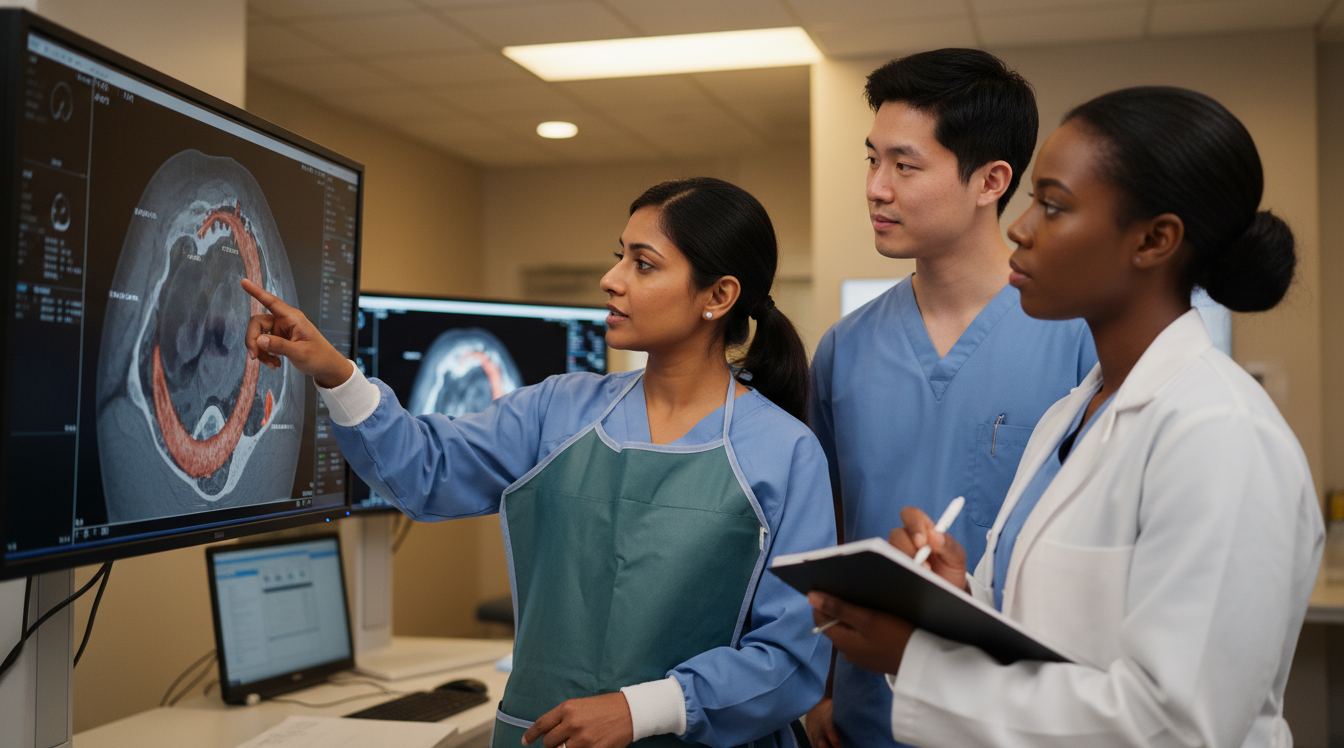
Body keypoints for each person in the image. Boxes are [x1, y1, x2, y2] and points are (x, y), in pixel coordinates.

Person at [811, 86, 1324, 747]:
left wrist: (917, 663)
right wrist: (955, 597)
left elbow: (1177, 728)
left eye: (1052, 206)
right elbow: (1059, 636)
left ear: (1154, 240)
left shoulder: (1220, 434)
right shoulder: (1072, 415)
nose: (1020, 227)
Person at [242, 177, 833, 748]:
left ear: (719, 296)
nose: (611, 279)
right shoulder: (558, 410)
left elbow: (792, 656)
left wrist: (643, 709)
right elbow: (423, 470)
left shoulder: (782, 452)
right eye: (618, 257)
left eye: (643, 264)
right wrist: (334, 372)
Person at [806, 49, 1095, 748]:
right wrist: (817, 686)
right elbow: (823, 538)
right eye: (871, 160)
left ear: (991, 180)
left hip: (1018, 714)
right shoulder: (844, 348)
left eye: (905, 166)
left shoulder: (1078, 342)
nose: (876, 188)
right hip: (865, 717)